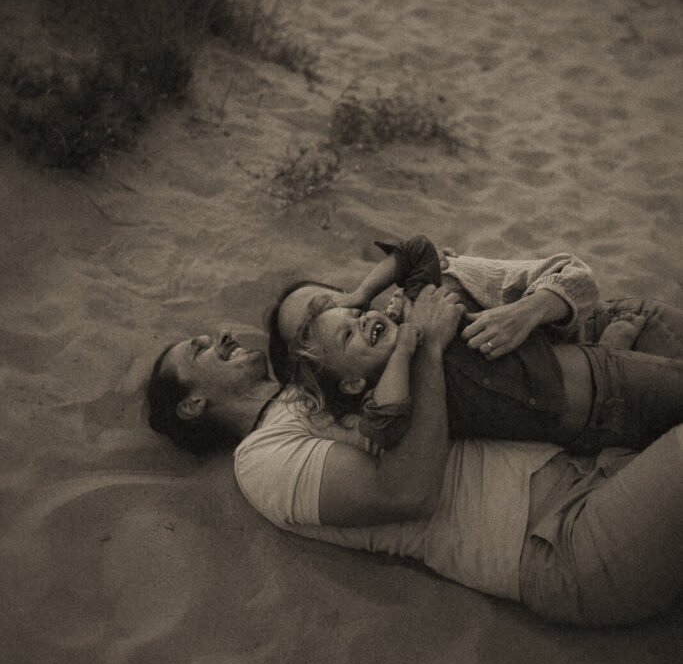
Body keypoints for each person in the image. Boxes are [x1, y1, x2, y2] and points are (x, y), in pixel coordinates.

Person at [145, 287, 683, 627]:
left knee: (649, 317)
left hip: (597, 461)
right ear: (194, 403)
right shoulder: (262, 459)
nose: (217, 336)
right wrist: (422, 348)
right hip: (560, 539)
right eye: (197, 351)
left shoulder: (316, 385)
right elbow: (406, 492)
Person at [273, 236, 683, 454]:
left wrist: (359, 294)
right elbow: (380, 427)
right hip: (592, 429)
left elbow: (417, 249)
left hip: (605, 373)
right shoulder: (395, 394)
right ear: (348, 383)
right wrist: (412, 344)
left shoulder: (423, 301)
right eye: (345, 333)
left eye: (345, 308)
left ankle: (613, 345)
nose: (360, 318)